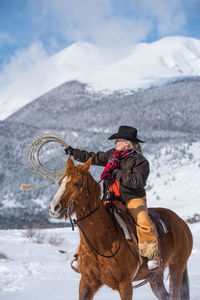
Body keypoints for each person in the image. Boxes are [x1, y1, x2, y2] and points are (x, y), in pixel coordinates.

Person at [65, 125, 159, 270]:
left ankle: (151, 255)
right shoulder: (111, 155)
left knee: (143, 220)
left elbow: (137, 181)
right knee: (91, 221)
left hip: (132, 199)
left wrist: (117, 173)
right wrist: (74, 152)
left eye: (118, 140)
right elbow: (93, 157)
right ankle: (82, 254)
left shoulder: (140, 161)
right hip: (111, 197)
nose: (115, 143)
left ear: (127, 143)